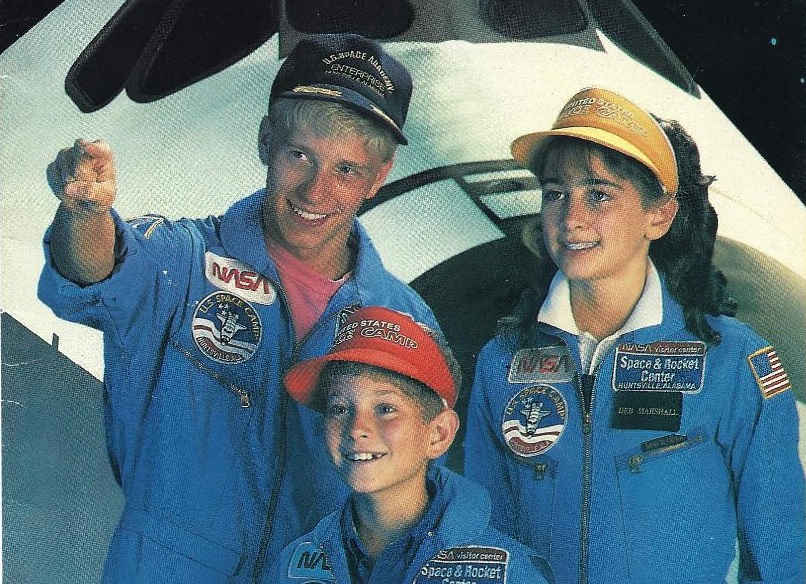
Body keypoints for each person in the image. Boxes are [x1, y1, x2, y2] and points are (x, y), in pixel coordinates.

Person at [38, 33, 441, 583]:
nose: (315, 191)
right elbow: (94, 271)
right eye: (300, 155)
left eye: (346, 170)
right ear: (266, 140)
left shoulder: (408, 321)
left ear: (379, 177)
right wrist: (85, 211)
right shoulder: (183, 259)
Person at [464, 86, 806, 584]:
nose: (571, 218)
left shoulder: (733, 360)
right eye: (555, 193)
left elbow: (783, 549)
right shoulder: (502, 361)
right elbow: (486, 540)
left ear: (659, 215)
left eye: (599, 194)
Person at [262, 305, 554, 584]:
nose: (357, 428)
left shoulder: (509, 573)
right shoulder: (293, 563)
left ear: (438, 434)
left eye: (385, 408)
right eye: (339, 408)